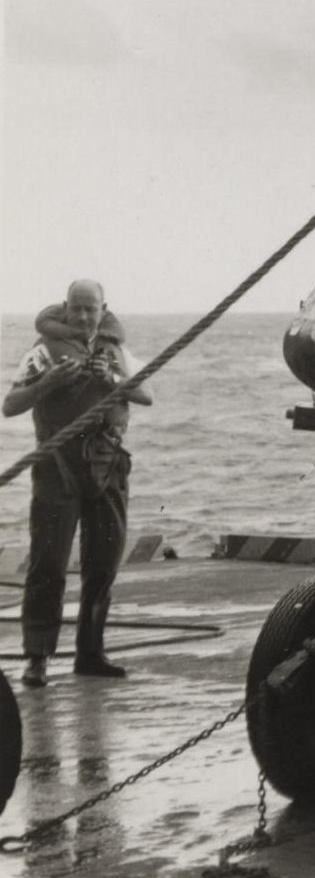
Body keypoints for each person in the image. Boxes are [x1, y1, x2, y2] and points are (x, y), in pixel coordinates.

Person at [3, 280, 151, 686]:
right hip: (57, 467)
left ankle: (90, 653)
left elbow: (147, 394)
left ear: (104, 310)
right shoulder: (43, 351)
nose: (85, 316)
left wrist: (113, 379)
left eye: (92, 309)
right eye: (77, 309)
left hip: (108, 465)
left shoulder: (116, 352)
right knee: (48, 562)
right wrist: (47, 383)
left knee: (103, 564)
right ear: (65, 310)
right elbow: (10, 405)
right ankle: (37, 656)